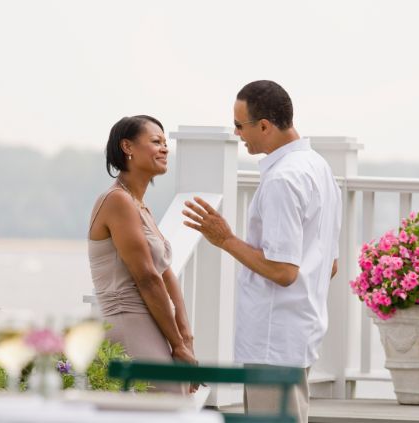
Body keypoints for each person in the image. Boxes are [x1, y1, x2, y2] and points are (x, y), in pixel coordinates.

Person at [182, 80, 341, 421]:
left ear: (265, 126)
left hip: (276, 339)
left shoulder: (284, 179)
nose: (237, 133)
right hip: (299, 331)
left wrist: (225, 239)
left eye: (240, 125)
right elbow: (330, 264)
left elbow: (284, 271)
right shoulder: (319, 168)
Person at [88, 115, 197, 393]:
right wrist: (178, 345)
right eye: (156, 141)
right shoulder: (117, 201)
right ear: (128, 147)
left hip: (152, 322)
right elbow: (147, 277)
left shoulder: (141, 207)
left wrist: (185, 337)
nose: (164, 149)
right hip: (128, 320)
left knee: (173, 403)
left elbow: (166, 272)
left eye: (165, 143)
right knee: (165, 404)